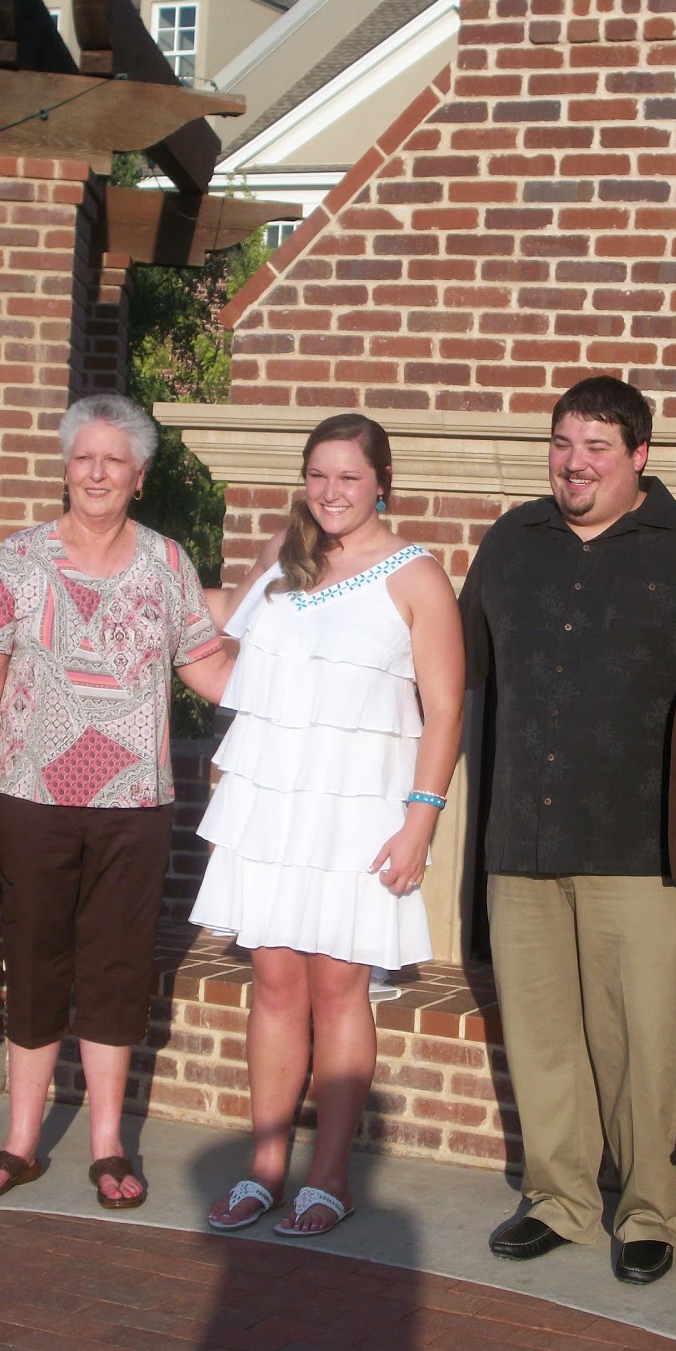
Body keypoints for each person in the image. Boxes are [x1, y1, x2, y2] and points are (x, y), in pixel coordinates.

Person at [459, 375, 676, 1281]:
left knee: (640, 1039)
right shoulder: (512, 540)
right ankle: (562, 1199)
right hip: (521, 837)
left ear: (640, 457)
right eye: (563, 443)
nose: (574, 464)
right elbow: (460, 670)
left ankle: (651, 1209)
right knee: (539, 1034)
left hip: (640, 843)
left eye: (597, 449)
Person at [0, 394, 232, 1211]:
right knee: (35, 965)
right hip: (29, 797)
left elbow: (208, 672)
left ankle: (108, 1145)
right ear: (66, 468)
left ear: (139, 477)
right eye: (85, 457)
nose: (98, 472)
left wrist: (304, 670)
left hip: (135, 804)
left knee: (115, 968)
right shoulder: (20, 559)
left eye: (115, 460)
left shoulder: (166, 564)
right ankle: (20, 1141)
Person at [194, 413, 464, 1237]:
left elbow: (446, 706)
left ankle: (333, 1176)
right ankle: (266, 1169)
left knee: (340, 987)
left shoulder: (416, 574)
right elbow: (213, 659)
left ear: (381, 479)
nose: (332, 491)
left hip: (363, 807)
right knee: (274, 984)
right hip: (271, 802)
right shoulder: (280, 564)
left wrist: (422, 820)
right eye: (318, 475)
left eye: (349, 476)